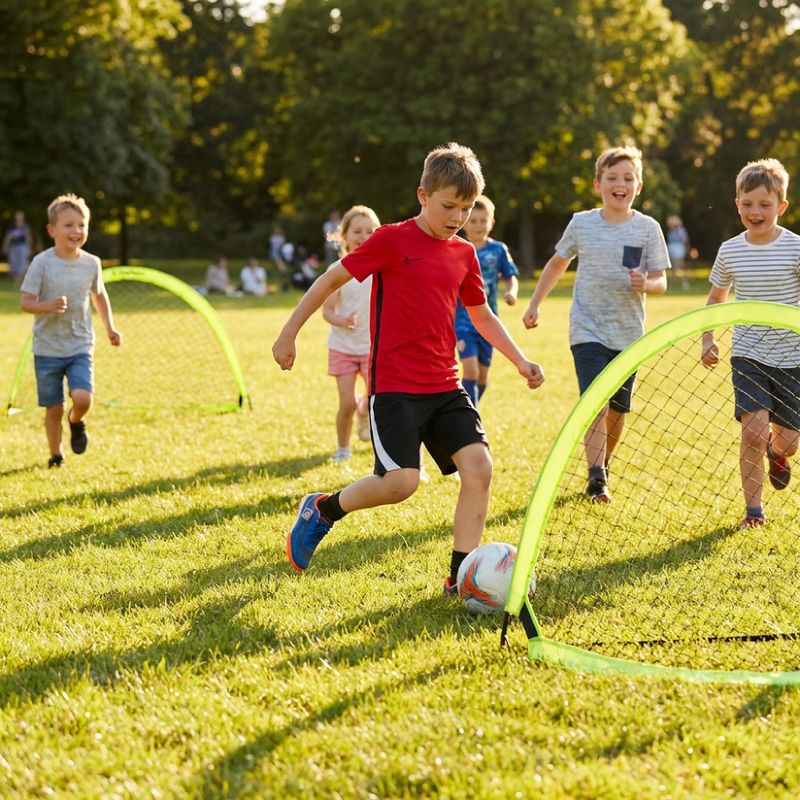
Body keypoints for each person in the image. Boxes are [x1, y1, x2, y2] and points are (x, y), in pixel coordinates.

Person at [272, 142, 544, 594]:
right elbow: (330, 279)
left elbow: (481, 315)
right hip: (395, 389)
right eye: (448, 206)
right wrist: (288, 333)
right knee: (400, 483)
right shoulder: (391, 240)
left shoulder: (464, 255)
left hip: (446, 386)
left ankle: (460, 579)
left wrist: (520, 360)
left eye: (467, 208)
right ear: (423, 196)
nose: (458, 218)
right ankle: (323, 510)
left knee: (479, 468)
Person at [523, 145, 669, 503]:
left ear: (639, 186)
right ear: (597, 184)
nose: (620, 184)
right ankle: (595, 478)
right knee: (595, 402)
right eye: (612, 178)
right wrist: (535, 303)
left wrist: (645, 284)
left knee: (618, 410)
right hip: (587, 329)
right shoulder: (582, 223)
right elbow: (558, 263)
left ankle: (604, 464)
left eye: (627, 178)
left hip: (629, 334)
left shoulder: (648, 228)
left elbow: (660, 281)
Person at [700, 158, 800, 530]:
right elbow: (715, 298)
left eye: (764, 204)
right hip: (749, 354)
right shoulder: (730, 250)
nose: (755, 212)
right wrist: (708, 338)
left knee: (787, 442)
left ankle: (778, 453)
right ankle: (754, 512)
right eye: (748, 203)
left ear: (781, 207)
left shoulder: (795, 248)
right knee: (753, 431)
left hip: (794, 358)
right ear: (737, 202)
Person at [20, 194, 121, 468]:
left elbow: (99, 296)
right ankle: (56, 454)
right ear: (52, 230)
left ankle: (77, 421)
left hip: (79, 345)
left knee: (83, 398)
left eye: (81, 225)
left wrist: (110, 328)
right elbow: (25, 302)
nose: (76, 231)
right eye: (68, 225)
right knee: (53, 408)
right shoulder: (41, 263)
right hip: (47, 349)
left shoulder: (92, 263)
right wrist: (47, 306)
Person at [321, 205, 380, 462]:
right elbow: (326, 311)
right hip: (343, 347)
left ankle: (364, 414)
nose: (364, 236)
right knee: (346, 404)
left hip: (372, 348)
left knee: (375, 402)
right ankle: (343, 449)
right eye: (357, 231)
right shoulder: (338, 269)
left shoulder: (381, 269)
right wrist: (341, 319)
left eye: (370, 231)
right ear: (343, 235)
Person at [456, 194, 518, 406]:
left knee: (482, 375)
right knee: (470, 369)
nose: (478, 225)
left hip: (488, 320)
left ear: (492, 222)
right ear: (465, 222)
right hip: (463, 320)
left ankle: (471, 408)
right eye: (473, 221)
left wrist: (512, 292)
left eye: (483, 220)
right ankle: (467, 416)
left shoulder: (498, 250)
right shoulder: (457, 248)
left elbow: (511, 277)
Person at [2, 210, 33, 288]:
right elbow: (7, 238)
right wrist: (5, 247)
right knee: (13, 265)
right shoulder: (11, 227)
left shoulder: (25, 226)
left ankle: (20, 284)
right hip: (13, 247)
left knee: (22, 265)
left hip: (22, 247)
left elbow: (28, 238)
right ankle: (16, 283)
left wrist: (29, 248)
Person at [666, 215, 691, 290]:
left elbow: (685, 240)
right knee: (674, 267)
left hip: (678, 249)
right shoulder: (670, 231)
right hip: (672, 249)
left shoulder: (681, 230)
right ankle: (676, 283)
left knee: (677, 266)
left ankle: (678, 283)